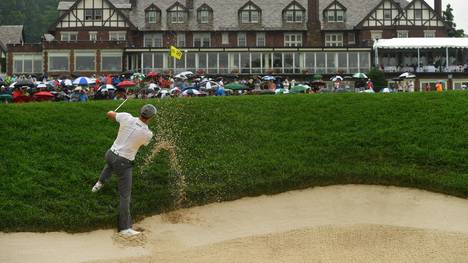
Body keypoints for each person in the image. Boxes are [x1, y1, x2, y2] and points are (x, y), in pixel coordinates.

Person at [91, 105, 156, 237]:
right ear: (151, 118)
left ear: (140, 112)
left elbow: (109, 113)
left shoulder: (126, 117)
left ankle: (98, 185)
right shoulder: (147, 134)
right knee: (125, 195)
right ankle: (125, 228)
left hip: (110, 154)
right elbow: (144, 143)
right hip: (124, 162)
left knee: (110, 165)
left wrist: (112, 112)